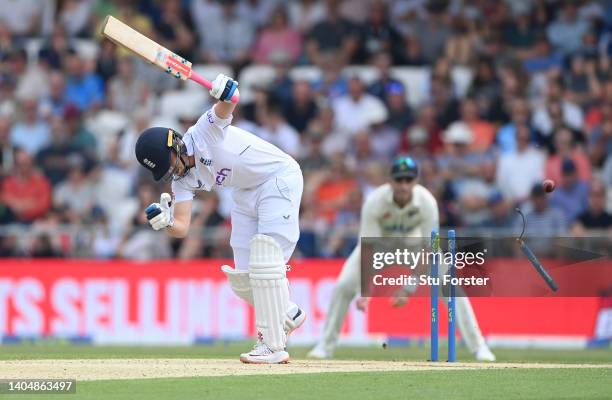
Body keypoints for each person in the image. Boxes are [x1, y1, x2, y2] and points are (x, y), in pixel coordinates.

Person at [134, 74, 305, 364]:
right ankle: (288, 311)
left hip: (278, 178)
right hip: (244, 192)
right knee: (242, 278)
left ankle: (272, 346)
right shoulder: (182, 181)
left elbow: (230, 101)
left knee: (266, 260)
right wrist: (165, 222)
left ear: (174, 145)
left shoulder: (203, 132)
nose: (173, 173)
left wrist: (225, 90)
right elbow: (182, 227)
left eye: (170, 164)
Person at [307, 156, 496, 362]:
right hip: (379, 247)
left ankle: (479, 347)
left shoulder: (427, 202)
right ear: (390, 181)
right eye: (399, 180)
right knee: (343, 285)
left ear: (415, 181)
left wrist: (408, 288)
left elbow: (429, 248)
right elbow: (368, 246)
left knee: (451, 286)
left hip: (414, 247)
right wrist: (366, 290)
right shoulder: (375, 202)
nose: (404, 185)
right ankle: (325, 346)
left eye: (408, 180)